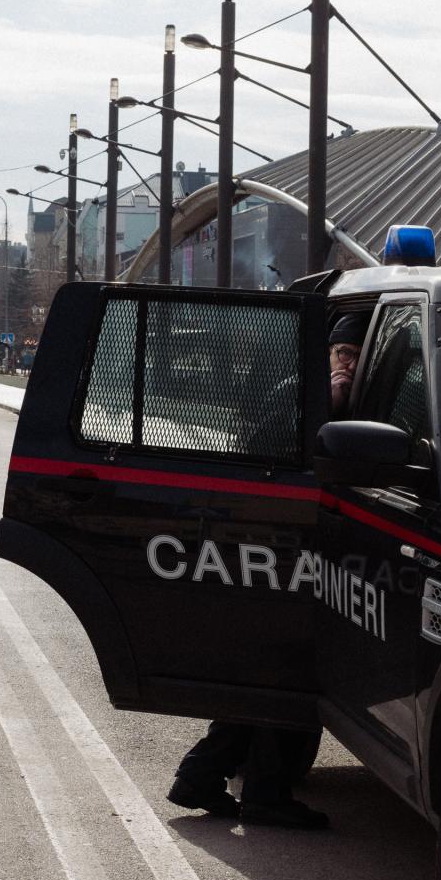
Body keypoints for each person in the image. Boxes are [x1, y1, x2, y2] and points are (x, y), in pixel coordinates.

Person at [167, 311, 370, 830]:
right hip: (277, 542)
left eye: (354, 357)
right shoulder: (297, 393)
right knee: (290, 666)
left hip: (304, 545)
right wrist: (328, 404)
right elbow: (265, 450)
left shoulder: (361, 402)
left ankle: (201, 776)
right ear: (326, 356)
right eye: (340, 355)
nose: (346, 366)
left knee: (271, 669)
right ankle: (263, 793)